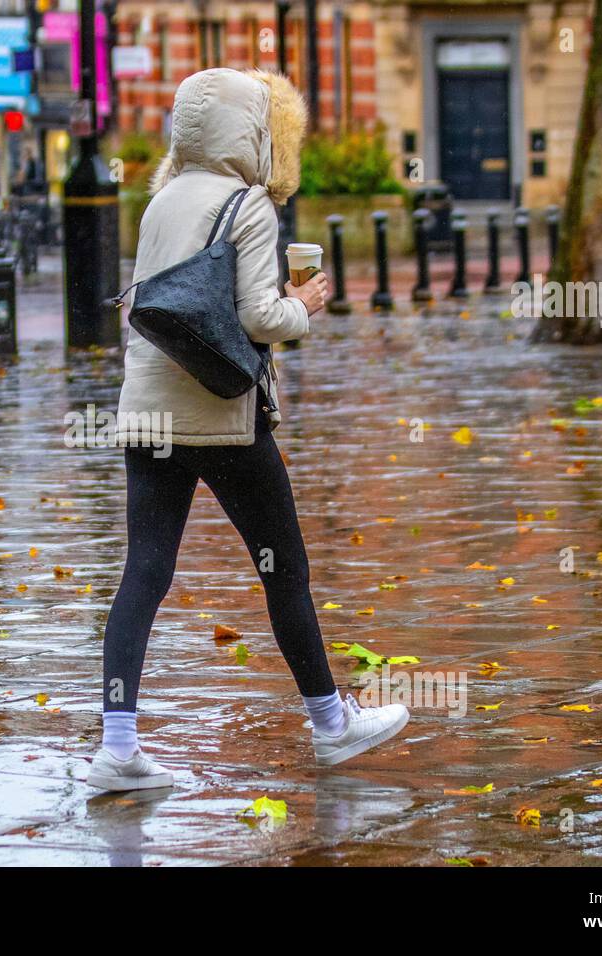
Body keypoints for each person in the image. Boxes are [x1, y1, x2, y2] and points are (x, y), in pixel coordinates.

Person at [87, 68, 410, 793]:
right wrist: (306, 304)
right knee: (282, 569)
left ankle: (117, 746)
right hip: (224, 417)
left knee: (144, 571)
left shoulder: (163, 198)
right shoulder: (251, 204)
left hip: (149, 412)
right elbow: (261, 319)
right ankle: (331, 724)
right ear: (259, 134)